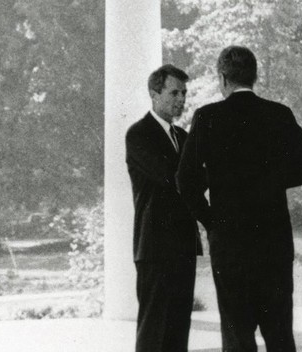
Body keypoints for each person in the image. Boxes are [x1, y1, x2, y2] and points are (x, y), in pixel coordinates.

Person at [176, 46, 302, 352]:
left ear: (222, 78)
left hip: (230, 243)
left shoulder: (207, 117)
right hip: (274, 242)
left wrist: (211, 221)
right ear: (255, 76)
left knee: (237, 336)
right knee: (280, 334)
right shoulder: (279, 114)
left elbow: (184, 180)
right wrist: (269, 180)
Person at [125, 64, 203, 352]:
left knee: (178, 331)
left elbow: (194, 184)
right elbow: (173, 177)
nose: (181, 99)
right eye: (174, 92)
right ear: (154, 94)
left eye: (184, 93)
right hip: (155, 248)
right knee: (153, 332)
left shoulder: (183, 136)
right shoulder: (138, 134)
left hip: (184, 246)